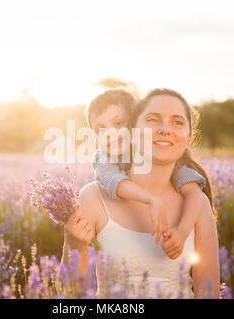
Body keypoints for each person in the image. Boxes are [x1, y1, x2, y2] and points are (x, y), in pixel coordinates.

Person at [61, 88, 220, 298]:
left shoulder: (194, 196)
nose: (165, 130)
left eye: (177, 122)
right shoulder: (95, 193)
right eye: (153, 120)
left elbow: (208, 293)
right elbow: (68, 293)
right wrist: (75, 246)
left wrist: (181, 230)